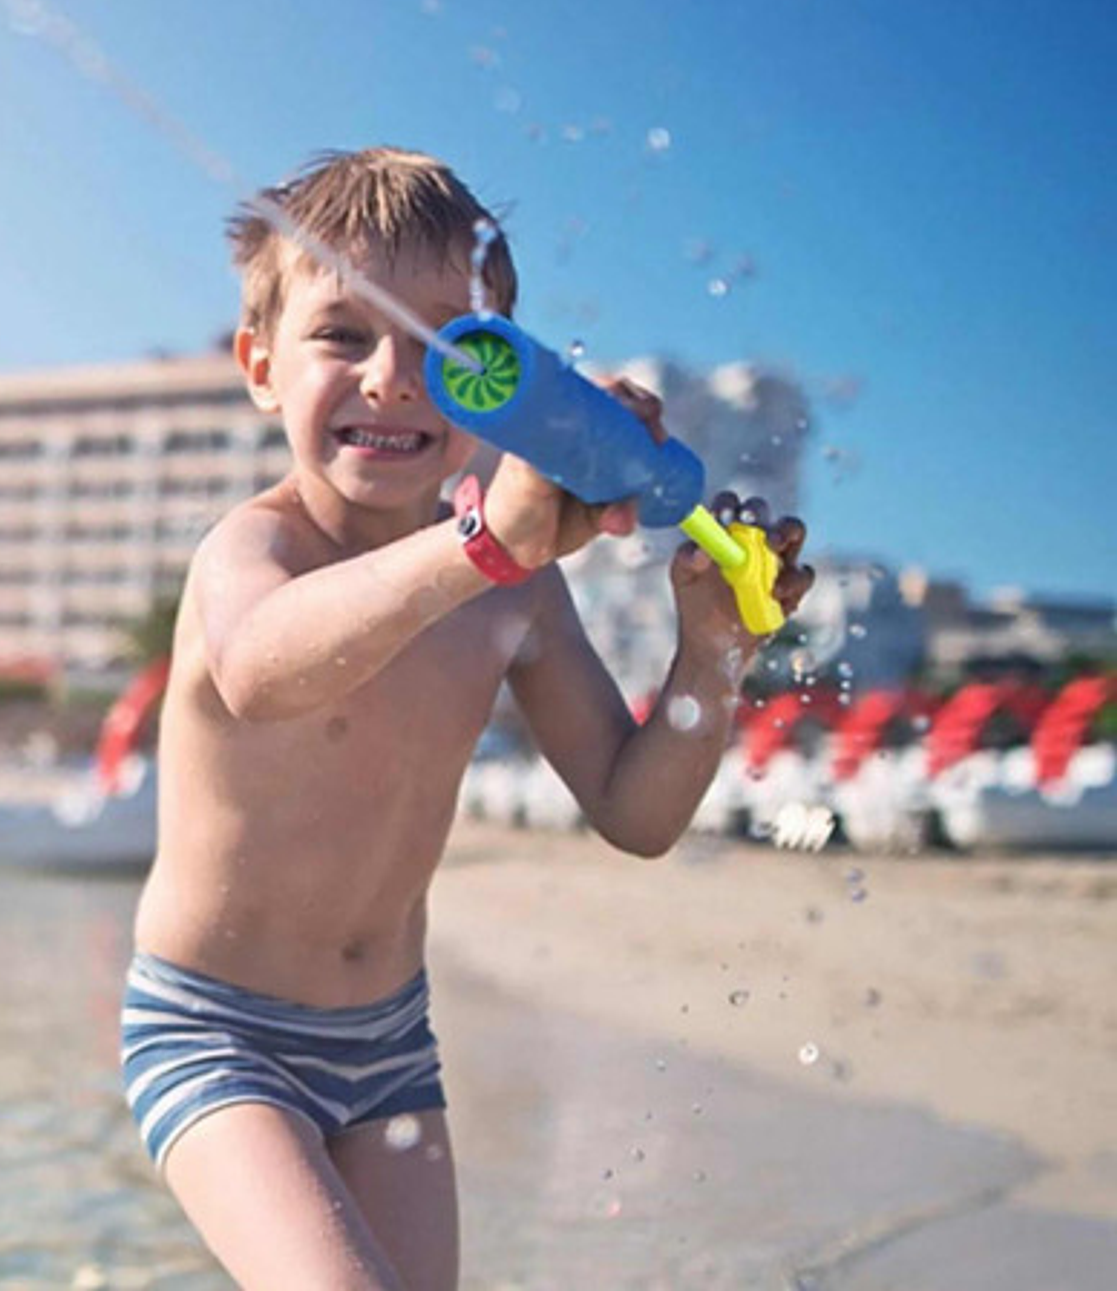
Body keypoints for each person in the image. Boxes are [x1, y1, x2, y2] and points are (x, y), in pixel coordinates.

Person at [122, 147, 815, 1289]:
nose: (394, 378)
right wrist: (482, 544)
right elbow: (259, 669)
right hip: (218, 1036)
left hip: (391, 1047)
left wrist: (712, 655)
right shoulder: (256, 550)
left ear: (507, 378)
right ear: (261, 367)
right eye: (343, 335)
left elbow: (635, 814)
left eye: (445, 343)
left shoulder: (517, 591)